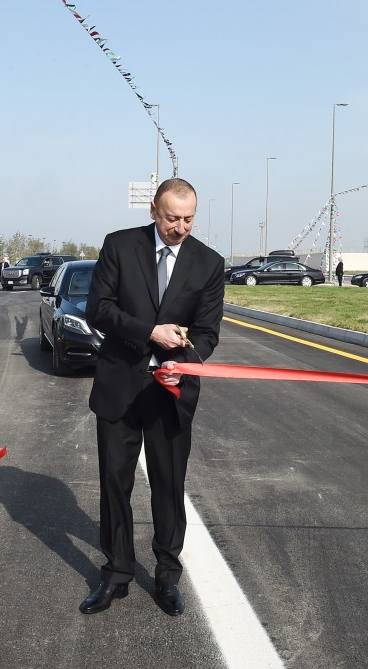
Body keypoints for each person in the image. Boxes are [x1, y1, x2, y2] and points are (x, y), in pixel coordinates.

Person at [81, 178, 224, 617]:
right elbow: (98, 308)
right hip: (120, 385)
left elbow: (207, 332)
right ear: (153, 212)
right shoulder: (120, 246)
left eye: (188, 218)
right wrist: (148, 332)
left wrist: (181, 356)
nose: (180, 227)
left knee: (168, 484)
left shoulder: (209, 262)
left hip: (171, 390)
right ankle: (117, 573)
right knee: (114, 485)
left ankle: (166, 574)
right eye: (171, 218)